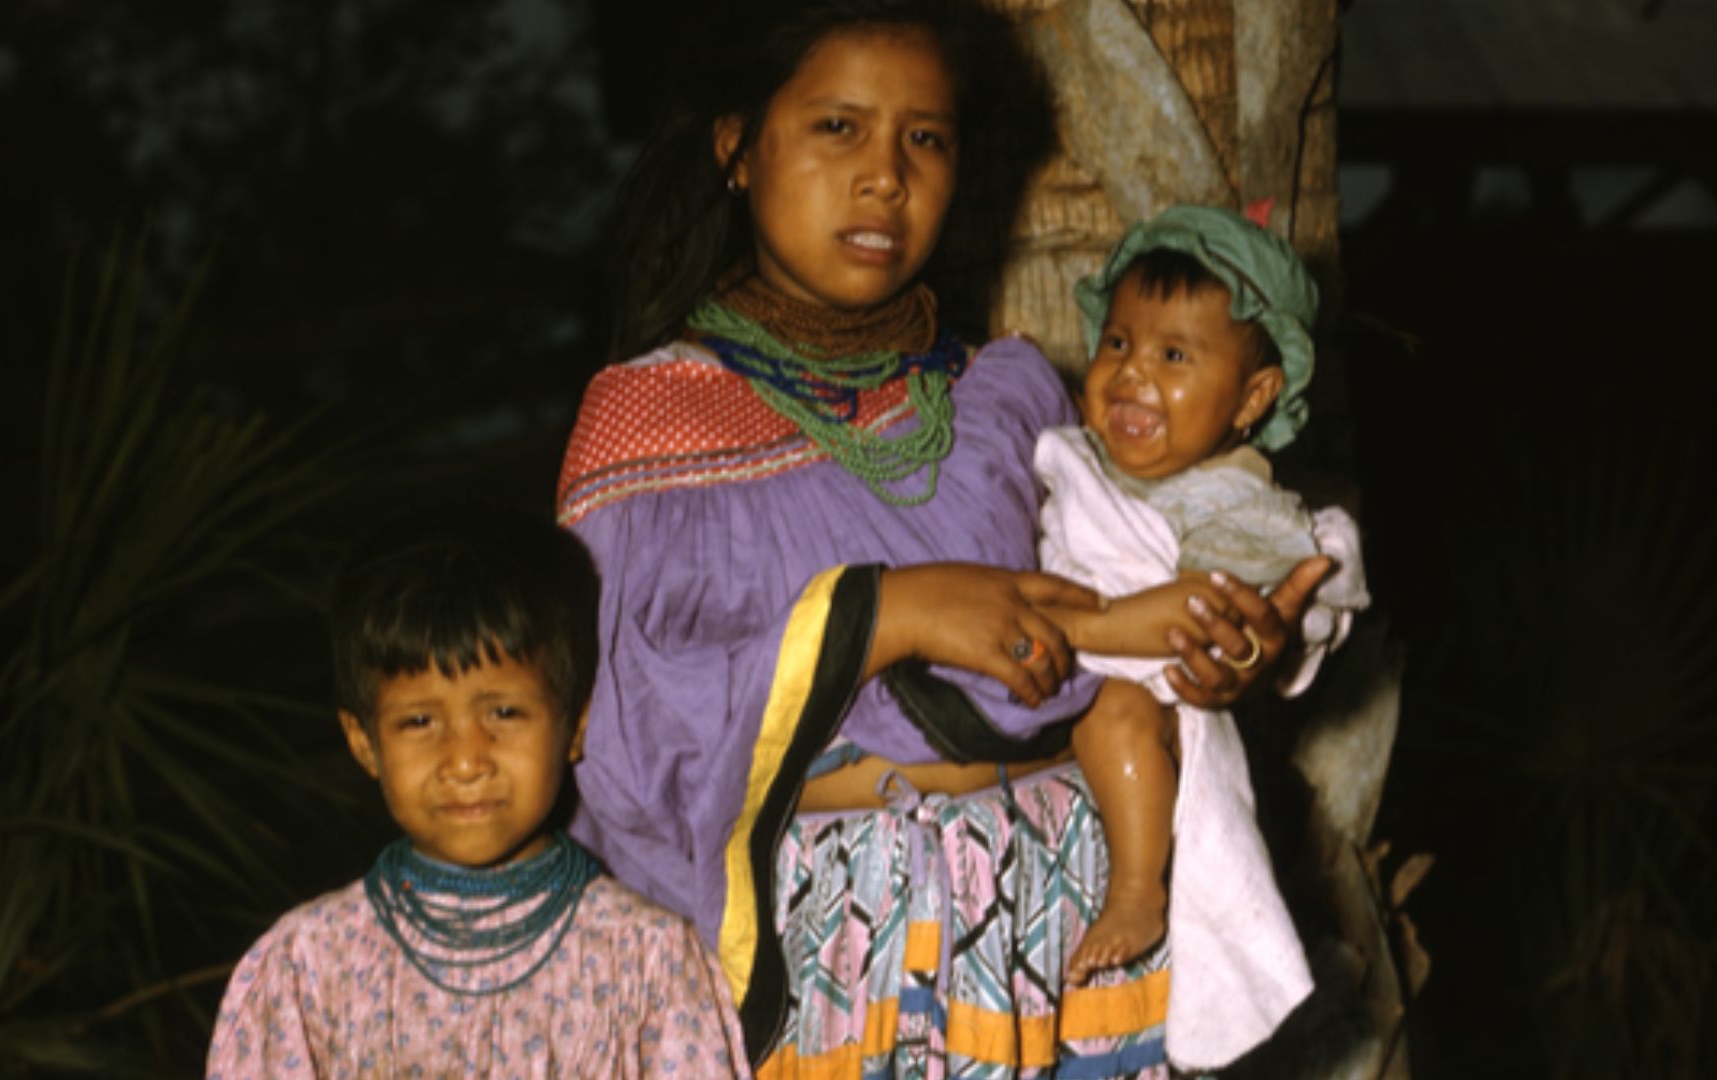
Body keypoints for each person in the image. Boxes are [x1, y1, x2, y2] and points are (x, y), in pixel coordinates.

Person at [556, 2, 1330, 1075]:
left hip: (1062, 930)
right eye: (839, 127)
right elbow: (615, 736)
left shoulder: (1008, 399)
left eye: (925, 138)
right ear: (737, 146)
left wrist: (1220, 647)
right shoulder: (646, 422)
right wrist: (883, 613)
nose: (886, 177)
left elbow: (1116, 601)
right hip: (832, 954)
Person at [205, 511, 751, 1079]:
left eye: (504, 713)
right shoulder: (307, 970)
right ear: (364, 742)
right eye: (419, 721)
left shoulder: (649, 965)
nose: (466, 761)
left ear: (575, 725)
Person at [1035, 203, 1371, 1070]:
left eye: (1174, 356)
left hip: (1150, 701)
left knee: (1116, 714)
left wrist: (1234, 631)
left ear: (1253, 399)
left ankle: (1138, 889)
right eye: (1118, 343)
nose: (1132, 372)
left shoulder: (1236, 499)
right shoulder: (1082, 463)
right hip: (1049, 733)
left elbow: (1235, 600)